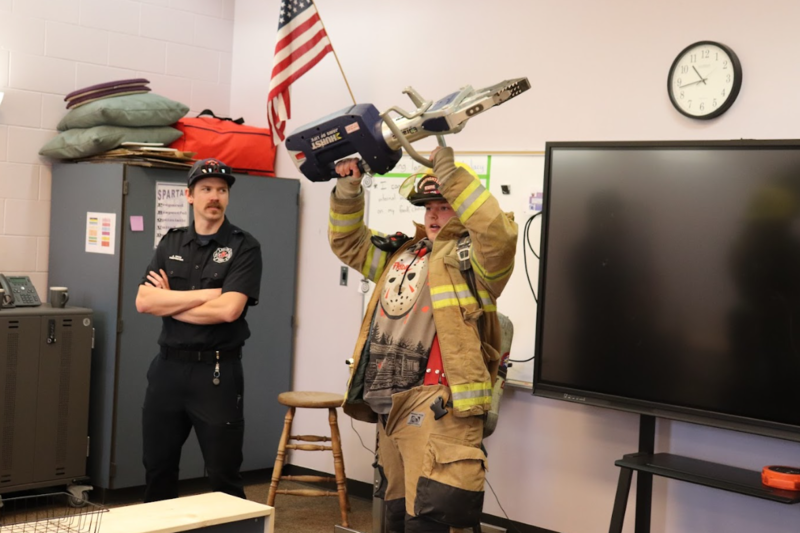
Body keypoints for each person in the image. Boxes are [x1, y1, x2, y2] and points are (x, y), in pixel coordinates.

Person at [330, 147, 518, 533]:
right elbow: (349, 243)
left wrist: (454, 178)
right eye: (429, 207)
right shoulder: (404, 251)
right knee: (395, 513)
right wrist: (349, 189)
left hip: (438, 404)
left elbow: (498, 235)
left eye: (445, 205)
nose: (433, 214)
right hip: (389, 400)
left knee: (429, 518)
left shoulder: (475, 261)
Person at [135, 158, 263, 502]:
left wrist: (172, 301)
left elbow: (229, 310)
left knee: (223, 475)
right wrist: (207, 295)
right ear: (190, 196)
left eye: (221, 190)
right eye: (206, 189)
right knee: (157, 469)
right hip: (168, 371)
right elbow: (145, 302)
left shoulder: (243, 246)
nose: (214, 196)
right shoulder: (171, 243)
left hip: (217, 373)